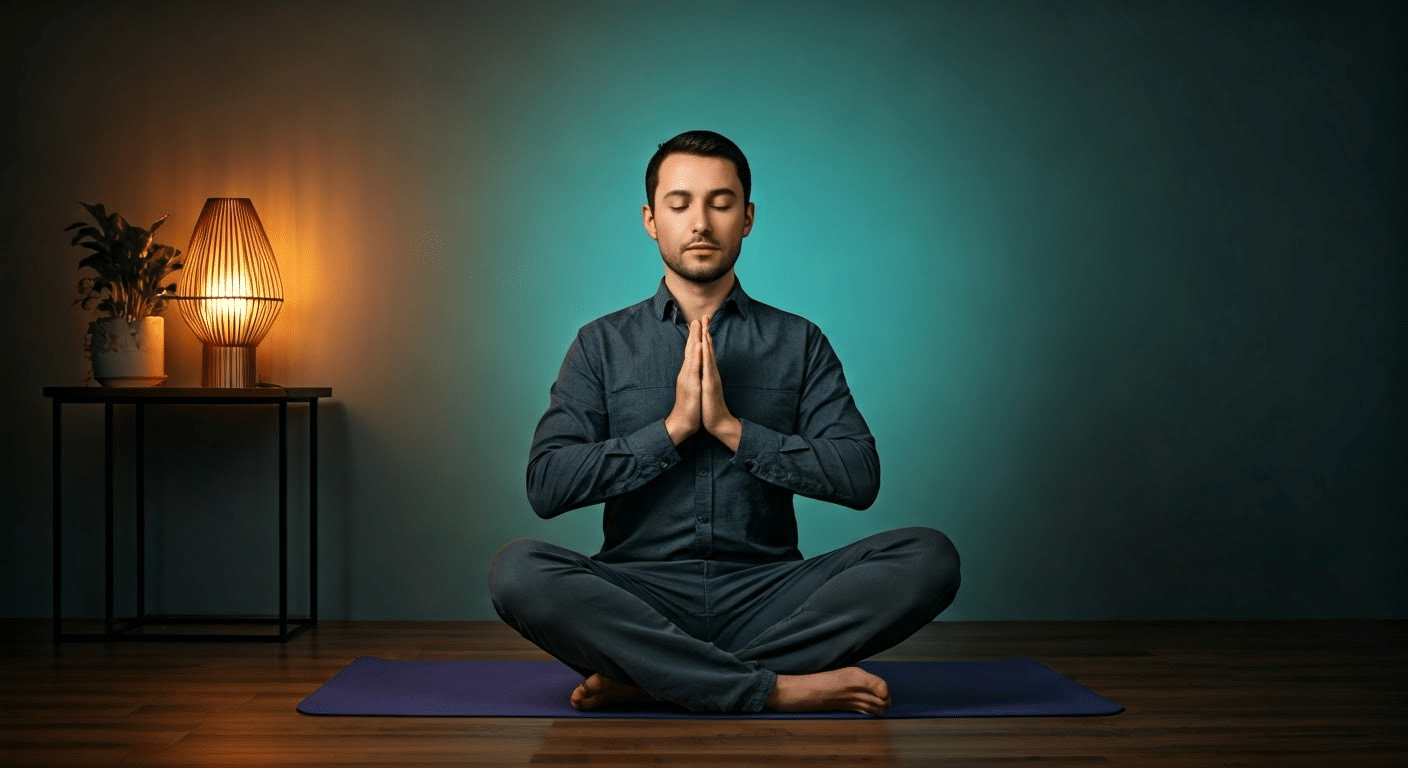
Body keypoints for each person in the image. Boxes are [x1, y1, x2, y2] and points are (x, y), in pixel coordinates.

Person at [488, 130, 960, 715]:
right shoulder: (601, 345)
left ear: (748, 217)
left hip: (771, 593)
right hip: (640, 596)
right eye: (679, 203)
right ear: (650, 219)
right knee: (518, 571)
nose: (701, 223)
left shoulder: (799, 341)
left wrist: (734, 430)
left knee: (930, 557)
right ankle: (774, 687)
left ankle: (658, 679)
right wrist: (674, 429)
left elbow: (859, 477)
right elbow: (547, 485)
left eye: (721, 202)